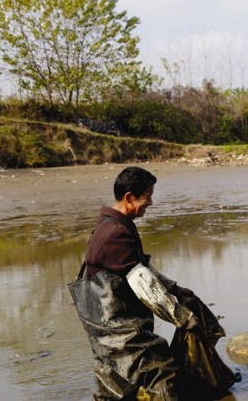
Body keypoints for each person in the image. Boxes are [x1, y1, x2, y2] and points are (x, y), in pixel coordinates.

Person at [73, 166, 199, 400]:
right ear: (129, 197)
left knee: (117, 386)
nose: (150, 203)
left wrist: (175, 289)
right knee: (160, 370)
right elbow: (142, 283)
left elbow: (139, 267)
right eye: (148, 196)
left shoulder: (110, 225)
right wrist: (181, 316)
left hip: (105, 329)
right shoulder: (115, 233)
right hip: (117, 328)